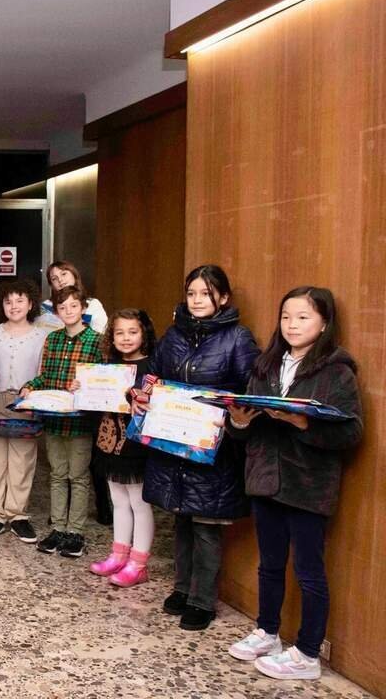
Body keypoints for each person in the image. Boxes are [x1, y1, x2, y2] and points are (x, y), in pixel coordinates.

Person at [225, 287, 362, 681]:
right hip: (265, 478)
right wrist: (239, 421)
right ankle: (267, 631)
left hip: (308, 484)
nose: (292, 325)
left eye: (303, 317)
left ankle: (307, 653)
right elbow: (244, 430)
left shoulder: (337, 371)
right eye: (286, 316)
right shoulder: (266, 365)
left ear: (324, 323)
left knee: (308, 571)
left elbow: (351, 433)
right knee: (269, 564)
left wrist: (304, 423)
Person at [141, 264, 259, 631]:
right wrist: (141, 394)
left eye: (205, 294)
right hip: (174, 441)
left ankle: (202, 600)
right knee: (181, 518)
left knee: (206, 525)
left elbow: (249, 390)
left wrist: (226, 412)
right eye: (191, 293)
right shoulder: (174, 334)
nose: (196, 300)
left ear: (222, 298)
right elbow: (152, 374)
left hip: (213, 448)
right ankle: (182, 588)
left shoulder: (238, 338)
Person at [21, 286, 102, 560]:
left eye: (73, 306)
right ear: (56, 312)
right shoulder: (52, 339)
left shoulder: (96, 341)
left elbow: (104, 381)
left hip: (80, 422)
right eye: (62, 307)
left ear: (83, 308)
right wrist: (30, 387)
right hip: (54, 419)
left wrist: (86, 385)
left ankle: (75, 532)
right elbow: (44, 376)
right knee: (57, 474)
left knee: (77, 477)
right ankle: (57, 528)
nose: (68, 311)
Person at [88, 309, 157, 587]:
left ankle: (138, 564)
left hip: (136, 447)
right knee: (118, 500)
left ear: (144, 334)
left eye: (133, 332)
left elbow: (156, 405)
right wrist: (83, 388)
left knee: (139, 503)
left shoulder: (152, 367)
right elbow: (94, 404)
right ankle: (119, 555)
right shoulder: (108, 366)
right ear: (111, 336)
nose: (126, 338)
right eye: (119, 333)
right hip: (109, 443)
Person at [0, 279, 49, 542]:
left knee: (22, 461)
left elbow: (43, 372)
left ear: (31, 304)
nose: (14, 306)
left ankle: (18, 515)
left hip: (25, 402)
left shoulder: (42, 336)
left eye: (20, 300)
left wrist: (37, 400)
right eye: (8, 301)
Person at [39, 260, 108, 333]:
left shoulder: (92, 304)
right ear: (52, 285)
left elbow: (101, 333)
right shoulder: (46, 306)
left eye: (63, 274)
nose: (60, 280)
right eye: (54, 278)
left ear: (74, 275)